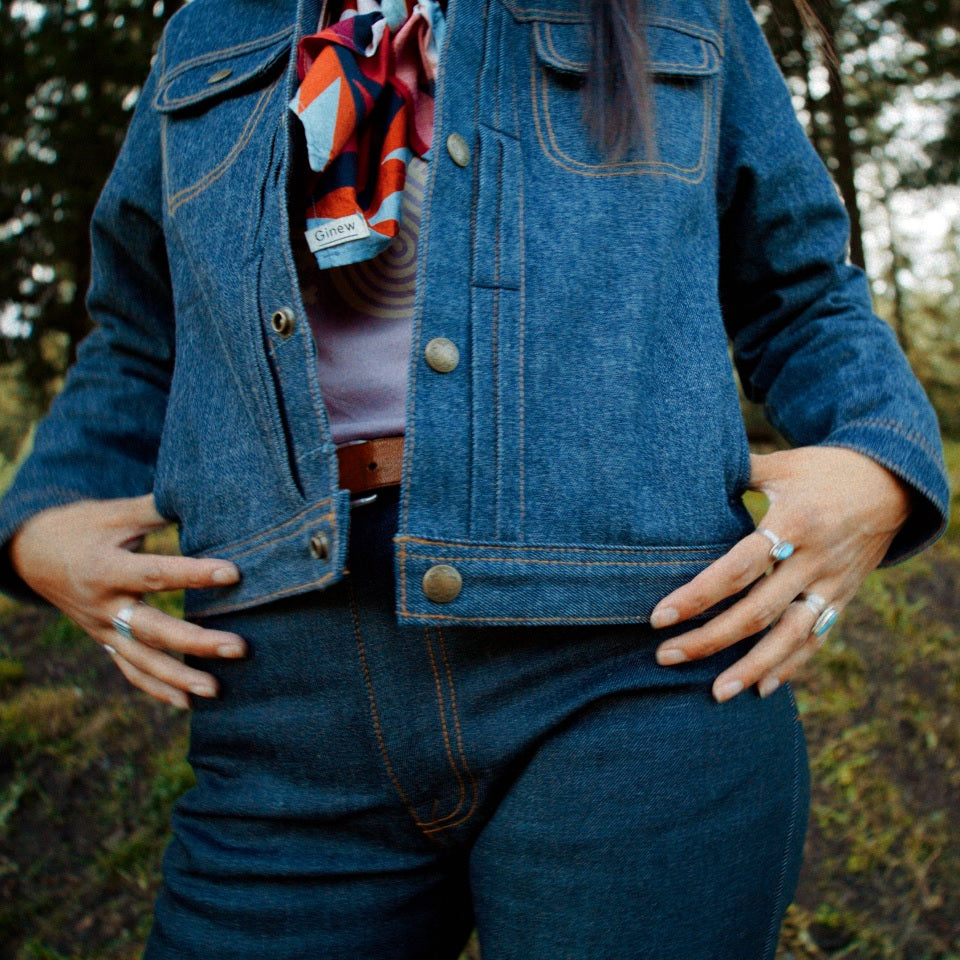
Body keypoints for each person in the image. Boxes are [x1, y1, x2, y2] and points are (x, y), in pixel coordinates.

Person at [0, 0, 949, 956]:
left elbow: (804, 291)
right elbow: (139, 335)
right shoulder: (207, 30)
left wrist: (880, 462)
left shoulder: (686, 10)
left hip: (637, 666)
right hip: (281, 696)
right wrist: (42, 519)